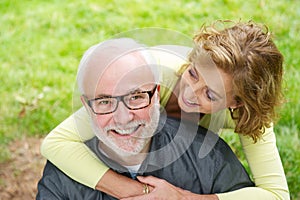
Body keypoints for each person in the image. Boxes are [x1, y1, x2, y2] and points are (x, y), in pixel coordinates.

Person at [40, 21, 290, 199]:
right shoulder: (151, 74)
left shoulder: (248, 116)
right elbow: (56, 143)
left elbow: (275, 195)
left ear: (237, 103)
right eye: (193, 74)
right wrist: (134, 192)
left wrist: (185, 199)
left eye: (210, 94)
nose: (191, 92)